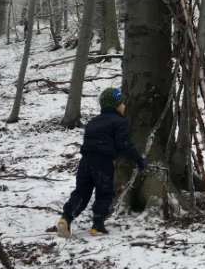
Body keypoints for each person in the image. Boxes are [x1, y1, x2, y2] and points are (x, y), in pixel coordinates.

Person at [56, 87, 145, 237]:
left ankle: (66, 218)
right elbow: (124, 145)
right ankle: (97, 225)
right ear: (116, 105)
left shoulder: (92, 122)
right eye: (122, 104)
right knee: (104, 193)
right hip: (103, 162)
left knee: (81, 192)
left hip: (85, 162)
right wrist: (138, 159)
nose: (125, 106)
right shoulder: (119, 122)